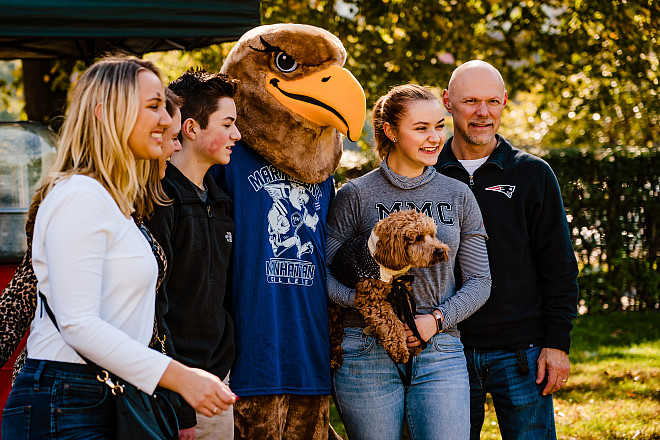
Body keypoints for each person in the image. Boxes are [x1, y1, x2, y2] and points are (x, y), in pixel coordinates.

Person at [1, 56, 236, 440]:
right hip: (68, 397)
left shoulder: (118, 204)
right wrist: (180, 378)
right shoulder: (79, 194)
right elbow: (77, 323)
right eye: (153, 106)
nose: (166, 120)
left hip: (111, 392)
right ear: (105, 114)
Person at [326, 84, 492, 440]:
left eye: (439, 126)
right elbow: (324, 272)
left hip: (440, 349)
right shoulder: (355, 194)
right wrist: (365, 303)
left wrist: (435, 320)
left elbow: (481, 280)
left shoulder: (458, 194)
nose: (434, 138)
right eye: (421, 128)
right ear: (389, 131)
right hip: (366, 347)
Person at [434, 60, 579, 439]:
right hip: (445, 351)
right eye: (470, 101)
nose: (483, 113)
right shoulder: (425, 172)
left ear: (504, 102)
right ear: (448, 102)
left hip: (522, 353)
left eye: (492, 102)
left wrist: (556, 343)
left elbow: (559, 264)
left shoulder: (532, 173)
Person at [145, 69, 240, 440]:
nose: (237, 135)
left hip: (215, 384)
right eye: (228, 123)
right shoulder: (159, 200)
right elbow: (156, 308)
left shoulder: (221, 201)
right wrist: (179, 403)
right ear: (190, 128)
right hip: (168, 391)